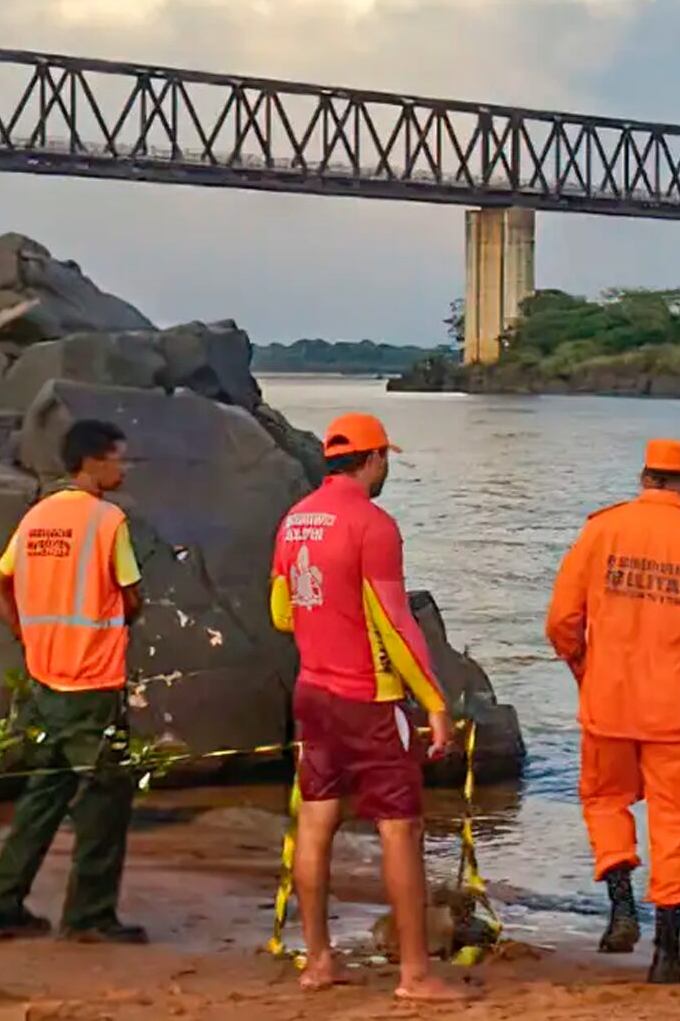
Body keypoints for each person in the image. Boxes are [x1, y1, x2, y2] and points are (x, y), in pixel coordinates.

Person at [268, 413, 468, 1001]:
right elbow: (397, 622)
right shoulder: (373, 524)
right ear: (374, 459)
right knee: (400, 829)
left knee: (316, 820)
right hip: (369, 698)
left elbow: (281, 610)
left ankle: (319, 961)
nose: (387, 469)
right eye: (387, 459)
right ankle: (415, 975)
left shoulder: (295, 519)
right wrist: (435, 703)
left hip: (313, 692)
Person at [544, 439, 680, 983]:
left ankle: (621, 903)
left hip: (606, 702)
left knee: (605, 801)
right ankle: (666, 954)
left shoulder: (600, 530)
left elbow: (562, 620)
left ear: (643, 476)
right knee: (676, 824)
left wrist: (587, 670)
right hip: (674, 712)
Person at [0, 419, 146, 945]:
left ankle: (0, 906)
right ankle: (89, 916)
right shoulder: (107, 521)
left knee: (43, 794)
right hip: (92, 682)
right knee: (104, 798)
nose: (124, 467)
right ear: (92, 462)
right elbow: (131, 596)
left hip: (45, 680)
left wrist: (28, 634)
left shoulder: (37, 517)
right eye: (119, 457)